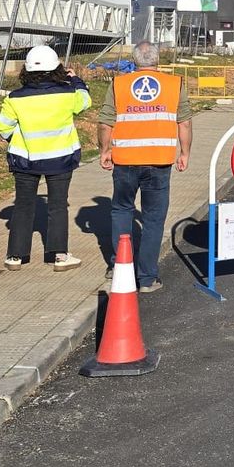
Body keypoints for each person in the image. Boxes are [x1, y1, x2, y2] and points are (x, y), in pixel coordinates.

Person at [97, 41, 193, 293]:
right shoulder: (175, 84)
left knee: (121, 210)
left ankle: (119, 266)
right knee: (153, 220)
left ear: (134, 60)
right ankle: (148, 278)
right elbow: (184, 122)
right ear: (158, 60)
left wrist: (104, 150)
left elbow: (106, 121)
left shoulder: (119, 84)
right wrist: (185, 153)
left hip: (125, 161)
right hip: (159, 161)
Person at [0, 45, 91, 271]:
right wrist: (76, 81)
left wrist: (15, 139)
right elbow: (85, 101)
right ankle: (59, 256)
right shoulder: (67, 94)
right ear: (57, 68)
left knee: (23, 205)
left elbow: (2, 127)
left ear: (26, 70)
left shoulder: (15, 98)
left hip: (25, 159)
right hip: (60, 159)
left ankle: (15, 256)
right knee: (58, 205)